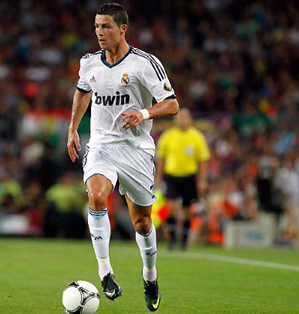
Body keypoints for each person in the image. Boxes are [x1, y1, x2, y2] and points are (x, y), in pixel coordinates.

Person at [67, 3, 179, 311]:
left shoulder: (145, 64)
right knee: (96, 196)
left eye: (106, 27)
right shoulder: (89, 62)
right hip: (101, 145)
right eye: (97, 27)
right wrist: (73, 128)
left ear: (123, 28)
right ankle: (105, 273)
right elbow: (82, 90)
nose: (100, 33)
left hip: (136, 150)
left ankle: (150, 275)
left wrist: (142, 113)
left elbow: (171, 105)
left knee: (142, 222)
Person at [155, 108, 210, 250]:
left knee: (187, 211)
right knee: (170, 207)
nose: (182, 120)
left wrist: (202, 180)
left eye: (185, 117)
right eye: (180, 117)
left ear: (190, 119)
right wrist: (158, 178)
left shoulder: (197, 137)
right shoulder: (168, 136)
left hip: (189, 177)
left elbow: (203, 160)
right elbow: (161, 159)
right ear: (175, 119)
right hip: (171, 176)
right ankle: (172, 239)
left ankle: (184, 240)